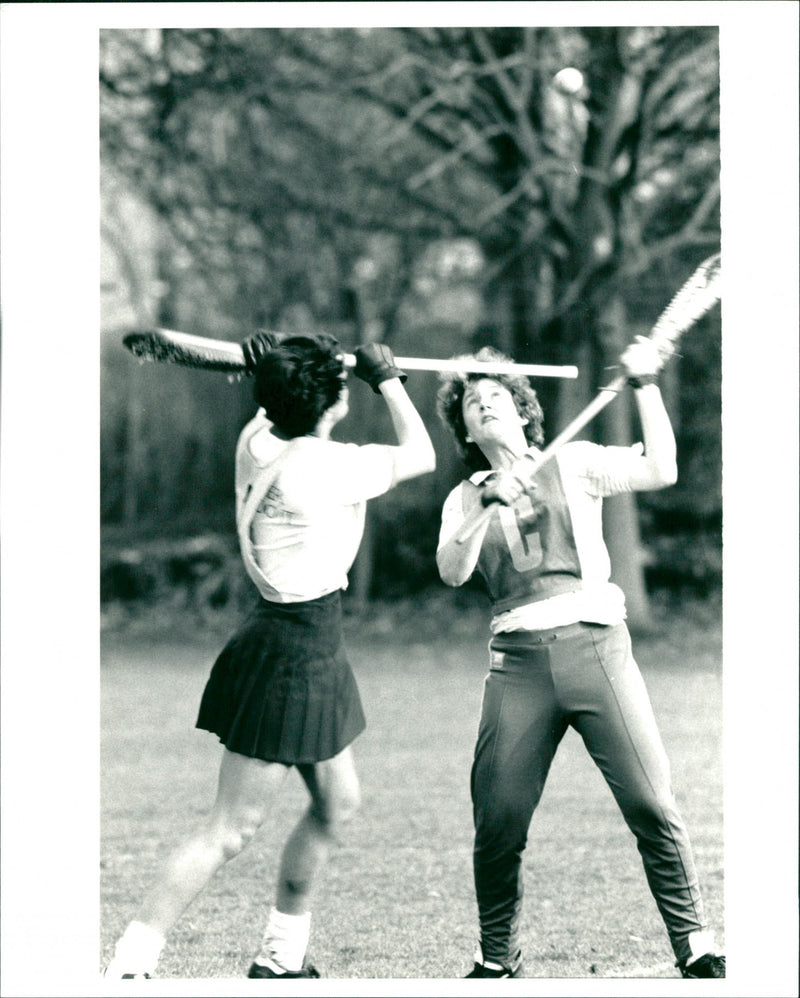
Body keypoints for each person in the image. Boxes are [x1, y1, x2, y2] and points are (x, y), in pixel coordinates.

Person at [104, 333, 436, 979]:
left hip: (304, 644)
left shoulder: (256, 441)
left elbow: (272, 411)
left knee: (337, 804)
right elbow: (422, 452)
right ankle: (130, 963)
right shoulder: (330, 466)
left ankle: (280, 959)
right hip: (292, 652)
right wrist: (388, 377)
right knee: (229, 830)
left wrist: (278, 369)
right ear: (329, 401)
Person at [435, 341, 725, 980]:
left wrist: (646, 385)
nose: (486, 406)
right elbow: (452, 572)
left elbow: (663, 470)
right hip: (517, 665)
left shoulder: (574, 460)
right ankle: (495, 955)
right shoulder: (465, 497)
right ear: (464, 427)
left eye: (497, 398)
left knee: (652, 803)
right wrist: (485, 507)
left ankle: (696, 943)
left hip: (597, 647)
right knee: (499, 816)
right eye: (473, 403)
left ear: (522, 411)